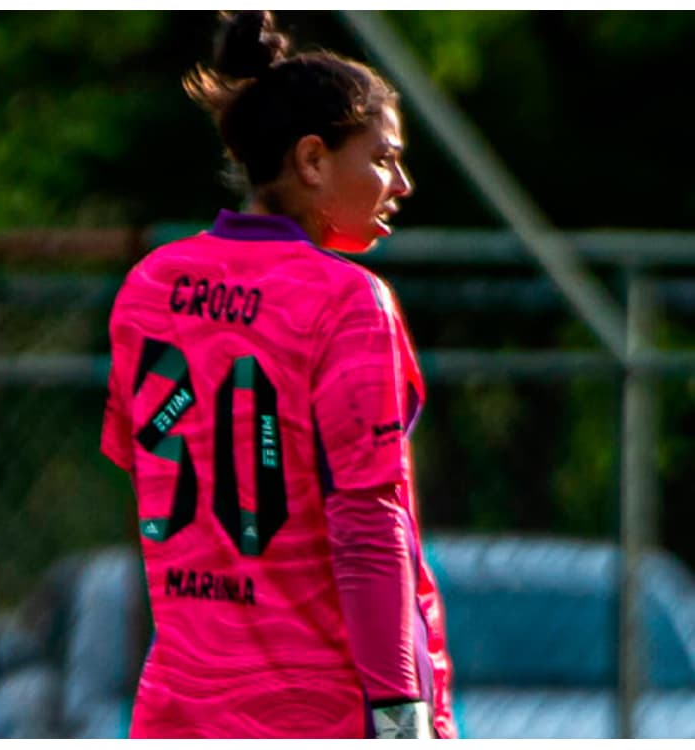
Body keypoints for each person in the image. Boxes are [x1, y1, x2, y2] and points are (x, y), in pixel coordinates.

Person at [100, 11, 456, 739]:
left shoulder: (149, 285)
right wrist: (400, 711)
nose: (403, 183)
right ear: (314, 160)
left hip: (180, 705)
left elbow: (151, 485)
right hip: (318, 709)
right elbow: (366, 520)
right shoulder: (347, 301)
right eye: (383, 158)